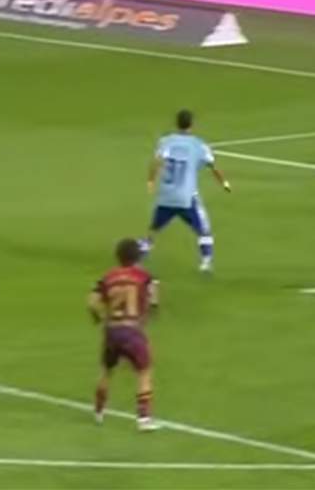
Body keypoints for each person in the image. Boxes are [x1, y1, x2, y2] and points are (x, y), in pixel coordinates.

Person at [143, 109, 230, 274]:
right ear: (192, 124)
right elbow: (213, 167)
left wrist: (151, 181)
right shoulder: (199, 145)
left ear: (177, 123)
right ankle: (206, 261)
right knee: (203, 230)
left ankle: (144, 248)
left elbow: (156, 162)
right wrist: (225, 183)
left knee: (154, 228)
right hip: (186, 198)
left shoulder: (166, 141)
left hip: (166, 195)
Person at [88, 237, 159, 431]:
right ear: (138, 256)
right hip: (133, 330)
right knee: (144, 372)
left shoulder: (108, 277)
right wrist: (150, 313)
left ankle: (98, 411)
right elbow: (153, 297)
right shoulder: (144, 276)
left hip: (112, 330)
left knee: (106, 371)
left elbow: (92, 301)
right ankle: (144, 419)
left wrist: (98, 317)